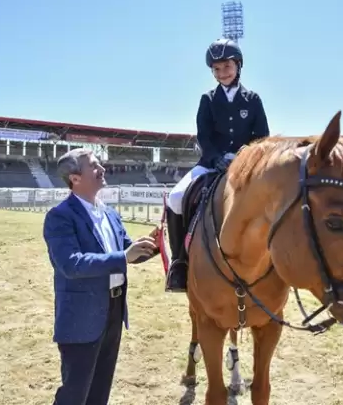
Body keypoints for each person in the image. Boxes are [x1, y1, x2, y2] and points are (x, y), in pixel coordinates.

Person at [43, 148, 158, 405]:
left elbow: (129, 251)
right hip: (82, 316)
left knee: (100, 389)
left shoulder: (110, 213)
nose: (102, 169)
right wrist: (123, 257)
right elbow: (70, 264)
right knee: (75, 393)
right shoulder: (60, 216)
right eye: (94, 165)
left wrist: (154, 244)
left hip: (114, 309)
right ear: (75, 178)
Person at [164, 38, 270, 293]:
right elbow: (204, 135)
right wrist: (216, 157)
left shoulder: (253, 99)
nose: (222, 73)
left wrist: (246, 154)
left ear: (238, 66)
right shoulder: (208, 99)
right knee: (176, 198)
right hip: (212, 164)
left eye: (227, 67)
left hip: (246, 166)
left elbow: (263, 136)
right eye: (216, 69)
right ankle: (179, 263)